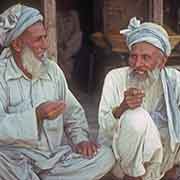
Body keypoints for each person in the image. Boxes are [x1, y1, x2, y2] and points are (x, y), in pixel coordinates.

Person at [0, 4, 115, 180]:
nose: (45, 45)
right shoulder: (2, 74)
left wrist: (80, 140)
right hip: (14, 160)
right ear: (17, 44)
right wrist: (36, 115)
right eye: (38, 39)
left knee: (106, 156)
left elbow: (72, 112)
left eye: (45, 37)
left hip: (52, 160)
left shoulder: (52, 70)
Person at [98, 17, 180, 180]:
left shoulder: (175, 80)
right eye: (133, 56)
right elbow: (104, 128)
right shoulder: (115, 78)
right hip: (123, 160)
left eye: (145, 58)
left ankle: (170, 171)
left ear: (162, 61)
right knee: (136, 118)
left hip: (164, 158)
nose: (137, 64)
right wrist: (122, 108)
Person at [57, 0, 82, 80]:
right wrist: (60, 43)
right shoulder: (56, 14)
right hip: (59, 46)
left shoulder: (74, 14)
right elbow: (54, 31)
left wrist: (68, 44)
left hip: (70, 46)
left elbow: (77, 32)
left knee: (79, 35)